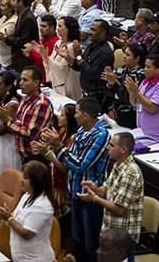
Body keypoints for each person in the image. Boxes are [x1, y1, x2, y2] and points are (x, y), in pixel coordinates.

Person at [41, 97, 110, 262]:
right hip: (75, 193)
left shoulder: (100, 136)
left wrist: (58, 146)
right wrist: (58, 148)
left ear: (85, 115)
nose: (75, 116)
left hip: (90, 197)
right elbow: (69, 160)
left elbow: (79, 165)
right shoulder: (80, 131)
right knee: (78, 240)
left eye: (77, 112)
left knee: (90, 243)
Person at [79, 132, 143, 260]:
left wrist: (94, 199)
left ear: (123, 149)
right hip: (111, 232)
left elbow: (119, 209)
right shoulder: (117, 165)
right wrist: (95, 189)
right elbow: (106, 190)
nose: (108, 147)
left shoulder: (130, 173)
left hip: (122, 240)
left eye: (112, 145)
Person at [0, 161, 55, 261]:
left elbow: (27, 233)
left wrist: (8, 218)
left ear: (36, 181)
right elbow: (16, 218)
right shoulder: (27, 195)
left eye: (25, 178)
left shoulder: (42, 206)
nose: (20, 180)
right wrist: (3, 215)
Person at [0, 66, 53, 164]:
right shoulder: (24, 99)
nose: (20, 83)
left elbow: (30, 134)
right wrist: (3, 118)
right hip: (24, 157)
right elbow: (18, 125)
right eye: (20, 79)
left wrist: (7, 119)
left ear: (36, 83)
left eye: (25, 80)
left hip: (36, 159)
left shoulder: (42, 104)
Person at [60, 19, 114, 112]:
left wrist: (78, 56)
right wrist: (68, 58)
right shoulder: (91, 46)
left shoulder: (105, 53)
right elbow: (80, 67)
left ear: (103, 33)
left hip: (97, 98)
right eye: (90, 29)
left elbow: (92, 73)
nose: (90, 32)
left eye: (93, 30)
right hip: (86, 94)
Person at [126, 54, 159, 145]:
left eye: (148, 67)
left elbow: (153, 108)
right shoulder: (145, 81)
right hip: (145, 133)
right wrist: (131, 93)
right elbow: (135, 104)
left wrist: (137, 93)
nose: (145, 69)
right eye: (145, 66)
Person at [36, 16, 82, 100]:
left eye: (60, 26)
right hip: (54, 83)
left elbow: (61, 69)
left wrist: (46, 57)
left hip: (67, 86)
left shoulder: (72, 46)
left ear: (68, 29)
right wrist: (44, 56)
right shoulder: (58, 42)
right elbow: (49, 63)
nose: (57, 28)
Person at [0, 0, 39, 72]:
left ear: (20, 3)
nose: (12, 4)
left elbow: (23, 41)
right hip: (18, 58)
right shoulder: (22, 15)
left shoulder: (28, 18)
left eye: (13, 1)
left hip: (24, 59)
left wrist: (6, 38)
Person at [102, 44, 145, 128]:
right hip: (117, 113)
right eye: (124, 54)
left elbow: (128, 98)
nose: (124, 57)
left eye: (128, 55)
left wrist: (114, 83)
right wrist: (110, 83)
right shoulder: (121, 70)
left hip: (131, 117)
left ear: (137, 59)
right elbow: (109, 93)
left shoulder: (140, 75)